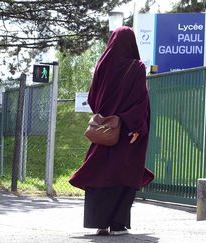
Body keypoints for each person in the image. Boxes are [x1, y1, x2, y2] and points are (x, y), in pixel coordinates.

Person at [69, 26, 154, 236]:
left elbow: (92, 98)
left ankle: (100, 223)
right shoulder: (137, 67)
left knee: (100, 172)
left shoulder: (102, 65)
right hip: (126, 134)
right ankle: (117, 224)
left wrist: (105, 115)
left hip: (104, 133)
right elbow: (140, 101)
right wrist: (137, 126)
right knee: (124, 173)